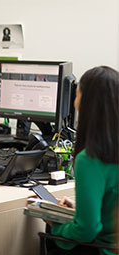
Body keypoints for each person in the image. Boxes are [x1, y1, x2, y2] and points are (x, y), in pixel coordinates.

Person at [47, 66, 119, 255]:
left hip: (104, 250)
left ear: (85, 103)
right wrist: (81, 208)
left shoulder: (90, 159)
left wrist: (56, 227)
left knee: (50, 231)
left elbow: (87, 230)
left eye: (77, 94)